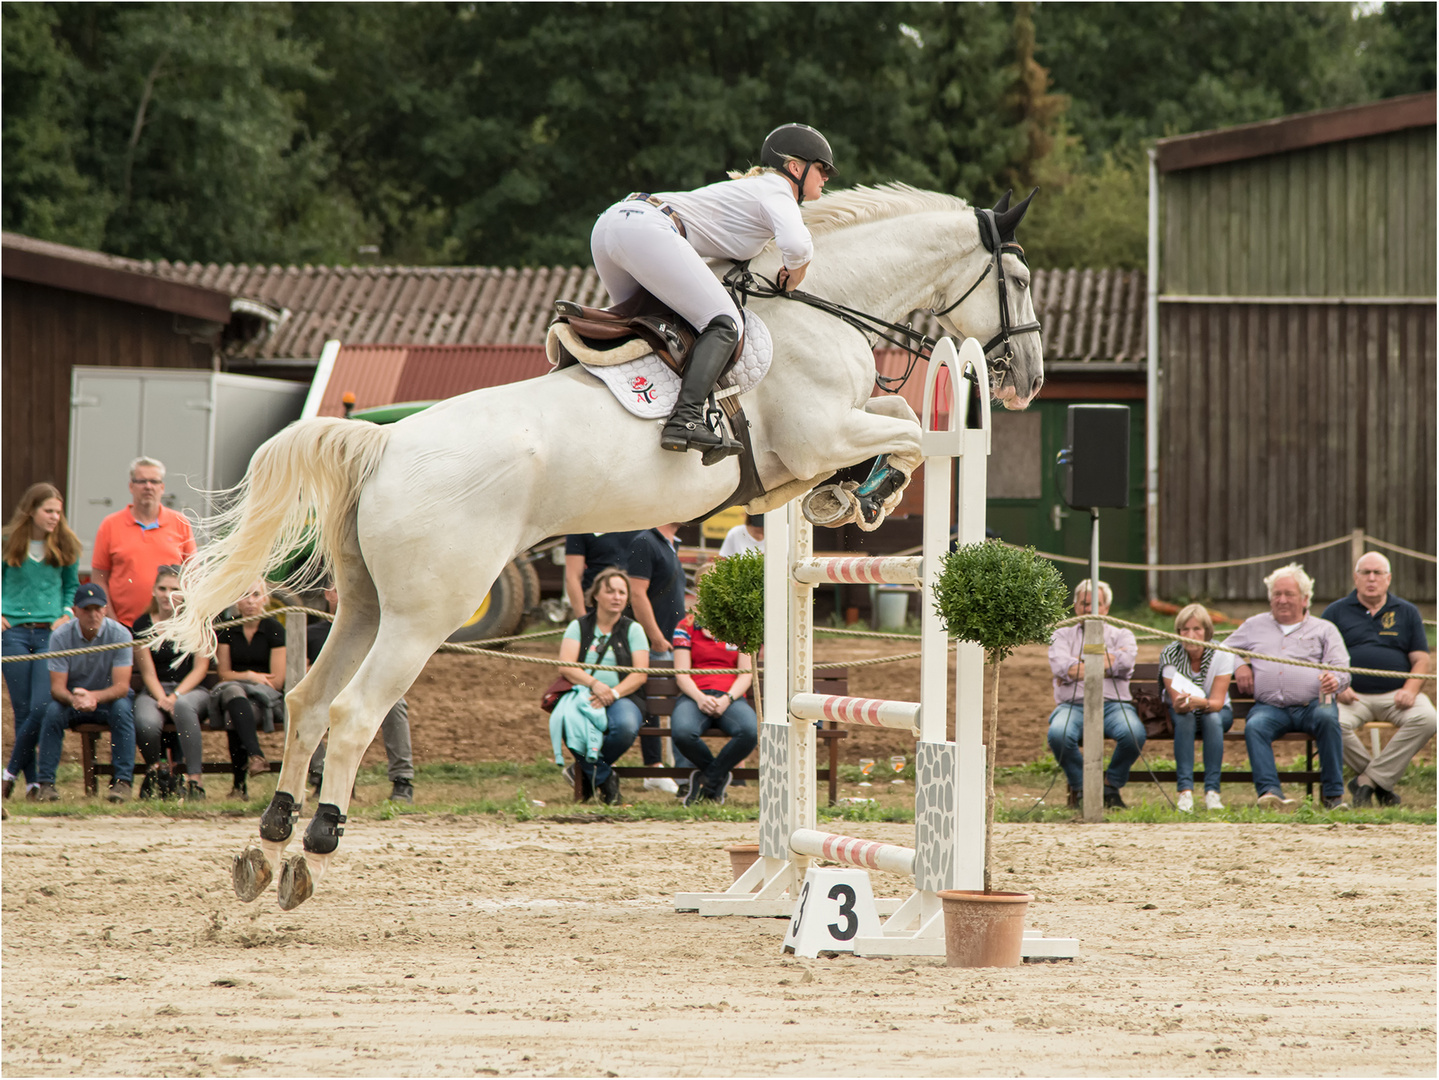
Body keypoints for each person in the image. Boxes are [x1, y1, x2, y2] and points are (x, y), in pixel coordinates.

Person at [590, 123, 833, 460]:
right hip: (645, 229)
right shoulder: (777, 189)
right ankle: (686, 419)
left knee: (652, 327)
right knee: (724, 323)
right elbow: (796, 245)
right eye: (822, 169)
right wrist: (796, 273)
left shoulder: (752, 193)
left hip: (610, 225)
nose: (826, 178)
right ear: (795, 167)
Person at [1229, 563, 1350, 811]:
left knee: (1328, 720)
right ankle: (1270, 795)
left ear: (1305, 599)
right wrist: (1239, 665)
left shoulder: (1324, 629)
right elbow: (1220, 650)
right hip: (1270, 708)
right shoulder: (1254, 625)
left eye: (1289, 594)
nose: (1282, 600)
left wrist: (1335, 680)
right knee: (1255, 726)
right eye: (1277, 594)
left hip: (1313, 705)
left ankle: (1333, 797)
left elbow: (1342, 667)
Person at [1321, 552, 1435, 807]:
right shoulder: (1335, 612)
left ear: (1388, 578)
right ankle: (1379, 783)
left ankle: (1366, 782)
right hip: (1351, 696)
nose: (1371, 578)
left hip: (1396, 695)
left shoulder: (1407, 612)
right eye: (1365, 572)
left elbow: (1421, 660)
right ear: (1355, 577)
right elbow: (1321, 658)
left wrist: (1410, 689)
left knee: (1428, 718)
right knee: (1329, 723)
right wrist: (1340, 685)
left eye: (1378, 573)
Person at [2, 483, 81, 800]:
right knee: (22, 710)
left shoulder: (66, 543)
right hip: (14, 633)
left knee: (41, 705)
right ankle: (33, 783)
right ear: (31, 510)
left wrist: (65, 612)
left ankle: (9, 773)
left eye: (58, 512)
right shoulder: (8, 542)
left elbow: (71, 585)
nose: (54, 517)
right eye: (48, 510)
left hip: (51, 632)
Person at [305, 581, 416, 804]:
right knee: (304, 708)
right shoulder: (311, 634)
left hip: (364, 691)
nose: (345, 594)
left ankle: (402, 781)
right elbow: (302, 673)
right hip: (327, 693)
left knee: (396, 704)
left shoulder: (372, 631)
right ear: (328, 594)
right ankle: (320, 778)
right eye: (338, 589)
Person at [550, 567, 648, 805]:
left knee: (625, 726)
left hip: (623, 697)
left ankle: (584, 770)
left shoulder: (634, 629)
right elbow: (566, 666)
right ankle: (606, 779)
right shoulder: (579, 626)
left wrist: (612, 693)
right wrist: (595, 685)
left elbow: (640, 674)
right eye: (610, 591)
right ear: (595, 595)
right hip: (583, 694)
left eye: (622, 592)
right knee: (566, 720)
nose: (617, 597)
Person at [1046, 579, 1144, 809]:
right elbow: (1062, 667)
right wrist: (1109, 660)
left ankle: (1110, 786)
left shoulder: (1123, 634)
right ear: (1076, 606)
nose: (1090, 609)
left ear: (1107, 608)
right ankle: (1083, 787)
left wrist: (1079, 664)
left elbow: (1127, 660)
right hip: (1072, 706)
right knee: (1058, 734)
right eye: (1084, 603)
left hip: (1114, 706)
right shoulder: (1060, 635)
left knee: (1134, 734)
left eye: (1096, 604)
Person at [33, 584, 135, 802]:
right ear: (76, 611)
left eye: (97, 608)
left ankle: (123, 782)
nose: (93, 614)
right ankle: (46, 784)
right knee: (52, 712)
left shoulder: (120, 634)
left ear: (105, 609)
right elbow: (57, 688)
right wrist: (75, 699)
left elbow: (121, 687)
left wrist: (94, 697)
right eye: (86, 609)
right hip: (74, 700)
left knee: (123, 709)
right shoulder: (60, 636)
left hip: (109, 700)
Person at [671, 588, 756, 806]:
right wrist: (699, 698)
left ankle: (708, 780)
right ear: (699, 593)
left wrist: (727, 698)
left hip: (731, 696)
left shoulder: (740, 626)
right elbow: (682, 674)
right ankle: (717, 777)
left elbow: (746, 674)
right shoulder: (685, 626)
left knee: (750, 731)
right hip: (694, 695)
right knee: (682, 732)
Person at [131, 566, 211, 800]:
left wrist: (175, 696)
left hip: (191, 689)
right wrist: (162, 699)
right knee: (145, 721)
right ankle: (159, 771)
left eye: (174, 589)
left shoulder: (197, 622)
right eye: (162, 588)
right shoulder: (142, 625)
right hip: (156, 690)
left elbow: (200, 668)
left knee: (185, 707)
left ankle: (195, 781)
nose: (167, 594)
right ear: (154, 591)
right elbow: (148, 673)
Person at [90, 457, 196, 629]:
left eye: (154, 481)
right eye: (142, 481)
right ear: (131, 486)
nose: (148, 486)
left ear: (162, 487)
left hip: (170, 627)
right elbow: (99, 579)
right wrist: (111, 621)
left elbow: (192, 575)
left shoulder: (180, 523)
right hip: (123, 626)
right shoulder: (110, 525)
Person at [628, 523, 690, 791]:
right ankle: (655, 768)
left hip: (673, 641)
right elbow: (637, 593)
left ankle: (679, 772)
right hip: (657, 641)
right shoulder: (645, 541)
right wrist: (655, 636)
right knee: (655, 703)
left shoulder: (669, 543)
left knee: (673, 702)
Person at [211, 580, 285, 799]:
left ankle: (238, 785)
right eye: (245, 595)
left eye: (255, 595)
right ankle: (256, 756)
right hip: (233, 691)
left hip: (263, 699)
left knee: (234, 713)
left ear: (265, 598)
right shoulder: (228, 629)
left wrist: (245, 682)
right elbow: (224, 674)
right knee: (233, 693)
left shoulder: (275, 629)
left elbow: (277, 680)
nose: (250, 601)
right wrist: (250, 676)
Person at [1159, 604, 1235, 812]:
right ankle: (1185, 792)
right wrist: (1182, 704)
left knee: (1212, 718)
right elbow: (1178, 704)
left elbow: (1217, 703)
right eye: (1185, 629)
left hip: (1216, 710)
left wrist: (1202, 703)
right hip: (1184, 712)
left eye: (1197, 629)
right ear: (1179, 632)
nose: (1190, 634)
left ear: (1207, 632)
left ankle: (1213, 793)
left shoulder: (1222, 654)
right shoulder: (1170, 654)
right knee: (1185, 719)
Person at [564, 531, 640, 616]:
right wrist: (583, 620)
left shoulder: (643, 523)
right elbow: (572, 577)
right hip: (596, 605)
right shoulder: (582, 526)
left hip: (637, 605)